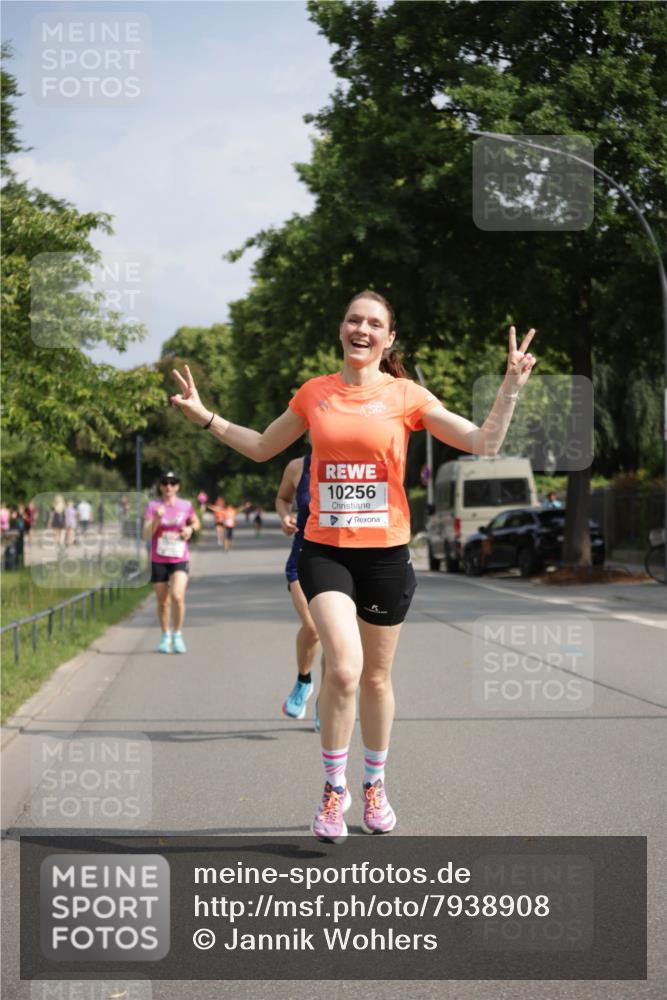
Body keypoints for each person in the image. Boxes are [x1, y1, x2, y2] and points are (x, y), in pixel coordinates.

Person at [171, 290, 536, 843]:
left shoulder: (406, 395)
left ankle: (375, 784)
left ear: (389, 338)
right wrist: (207, 418)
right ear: (341, 330)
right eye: (352, 320)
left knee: (376, 676)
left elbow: (483, 442)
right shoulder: (315, 394)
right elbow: (265, 447)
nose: (361, 330)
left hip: (386, 553)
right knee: (343, 667)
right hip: (327, 549)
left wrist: (509, 387)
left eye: (374, 324)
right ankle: (333, 789)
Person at [275, 452, 325, 730]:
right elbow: (282, 499)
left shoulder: (351, 463)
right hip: (302, 559)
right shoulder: (297, 466)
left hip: (342, 562)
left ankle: (326, 701)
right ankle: (303, 681)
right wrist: (285, 517)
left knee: (335, 640)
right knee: (313, 626)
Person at [143, 470, 200, 654]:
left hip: (179, 557)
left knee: (177, 596)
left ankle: (177, 634)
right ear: (160, 486)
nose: (169, 486)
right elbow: (146, 534)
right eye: (165, 482)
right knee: (163, 601)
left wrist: (190, 529)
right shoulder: (153, 506)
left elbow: (196, 522)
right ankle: (165, 634)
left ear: (177, 486)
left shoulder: (185, 505)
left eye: (173, 482)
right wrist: (157, 519)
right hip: (158, 557)